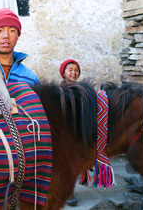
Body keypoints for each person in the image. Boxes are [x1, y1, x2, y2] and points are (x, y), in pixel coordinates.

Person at [60, 59, 81, 206]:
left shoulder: (82, 90)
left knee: (75, 164)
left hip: (77, 131)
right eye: (70, 70)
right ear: (63, 73)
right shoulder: (59, 90)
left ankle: (70, 191)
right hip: (63, 131)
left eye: (76, 70)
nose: (73, 73)